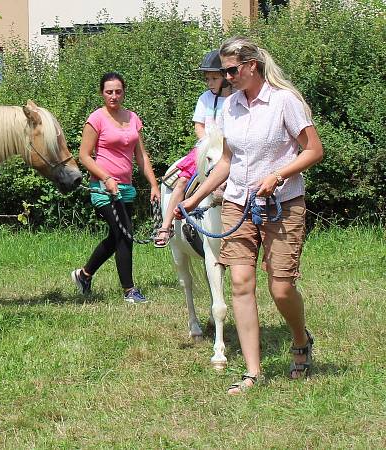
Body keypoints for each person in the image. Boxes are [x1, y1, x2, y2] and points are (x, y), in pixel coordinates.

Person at [174, 36, 324, 394]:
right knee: (241, 284)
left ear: (251, 66)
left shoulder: (284, 101)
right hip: (238, 204)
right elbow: (226, 162)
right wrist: (195, 198)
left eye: (231, 70)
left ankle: (301, 340)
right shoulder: (230, 108)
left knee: (281, 286)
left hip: (282, 204)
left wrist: (278, 175)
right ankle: (253, 373)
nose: (226, 78)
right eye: (223, 72)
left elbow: (313, 150)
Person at [71, 72, 161, 304]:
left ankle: (84, 275)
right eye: (109, 91)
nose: (113, 96)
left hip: (127, 188)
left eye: (118, 91)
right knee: (124, 234)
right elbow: (84, 156)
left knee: (117, 236)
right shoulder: (96, 119)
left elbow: (141, 156)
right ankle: (129, 291)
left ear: (124, 92)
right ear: (102, 93)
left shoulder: (132, 118)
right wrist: (106, 178)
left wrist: (153, 184)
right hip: (102, 188)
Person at [154, 50, 232, 247]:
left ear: (225, 77)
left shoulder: (237, 98)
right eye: (207, 79)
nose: (210, 83)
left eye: (214, 78)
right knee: (181, 180)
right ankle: (166, 225)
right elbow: (199, 125)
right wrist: (207, 143)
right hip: (206, 149)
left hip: (231, 150)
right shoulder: (205, 98)